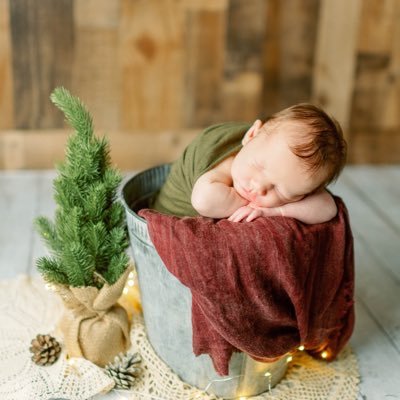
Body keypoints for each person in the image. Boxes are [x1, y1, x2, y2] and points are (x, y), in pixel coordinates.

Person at [151, 103, 347, 225]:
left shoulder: (291, 172)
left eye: (281, 191)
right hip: (169, 218)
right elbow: (203, 201)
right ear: (251, 135)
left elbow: (328, 208)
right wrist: (254, 204)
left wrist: (273, 211)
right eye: (259, 167)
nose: (260, 188)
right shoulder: (226, 161)